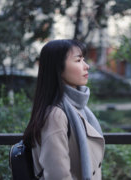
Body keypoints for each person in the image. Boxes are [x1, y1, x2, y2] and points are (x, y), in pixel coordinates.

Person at [23, 39, 105, 180]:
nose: (87, 66)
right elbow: (57, 175)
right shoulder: (56, 115)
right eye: (78, 60)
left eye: (84, 60)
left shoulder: (77, 108)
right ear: (58, 68)